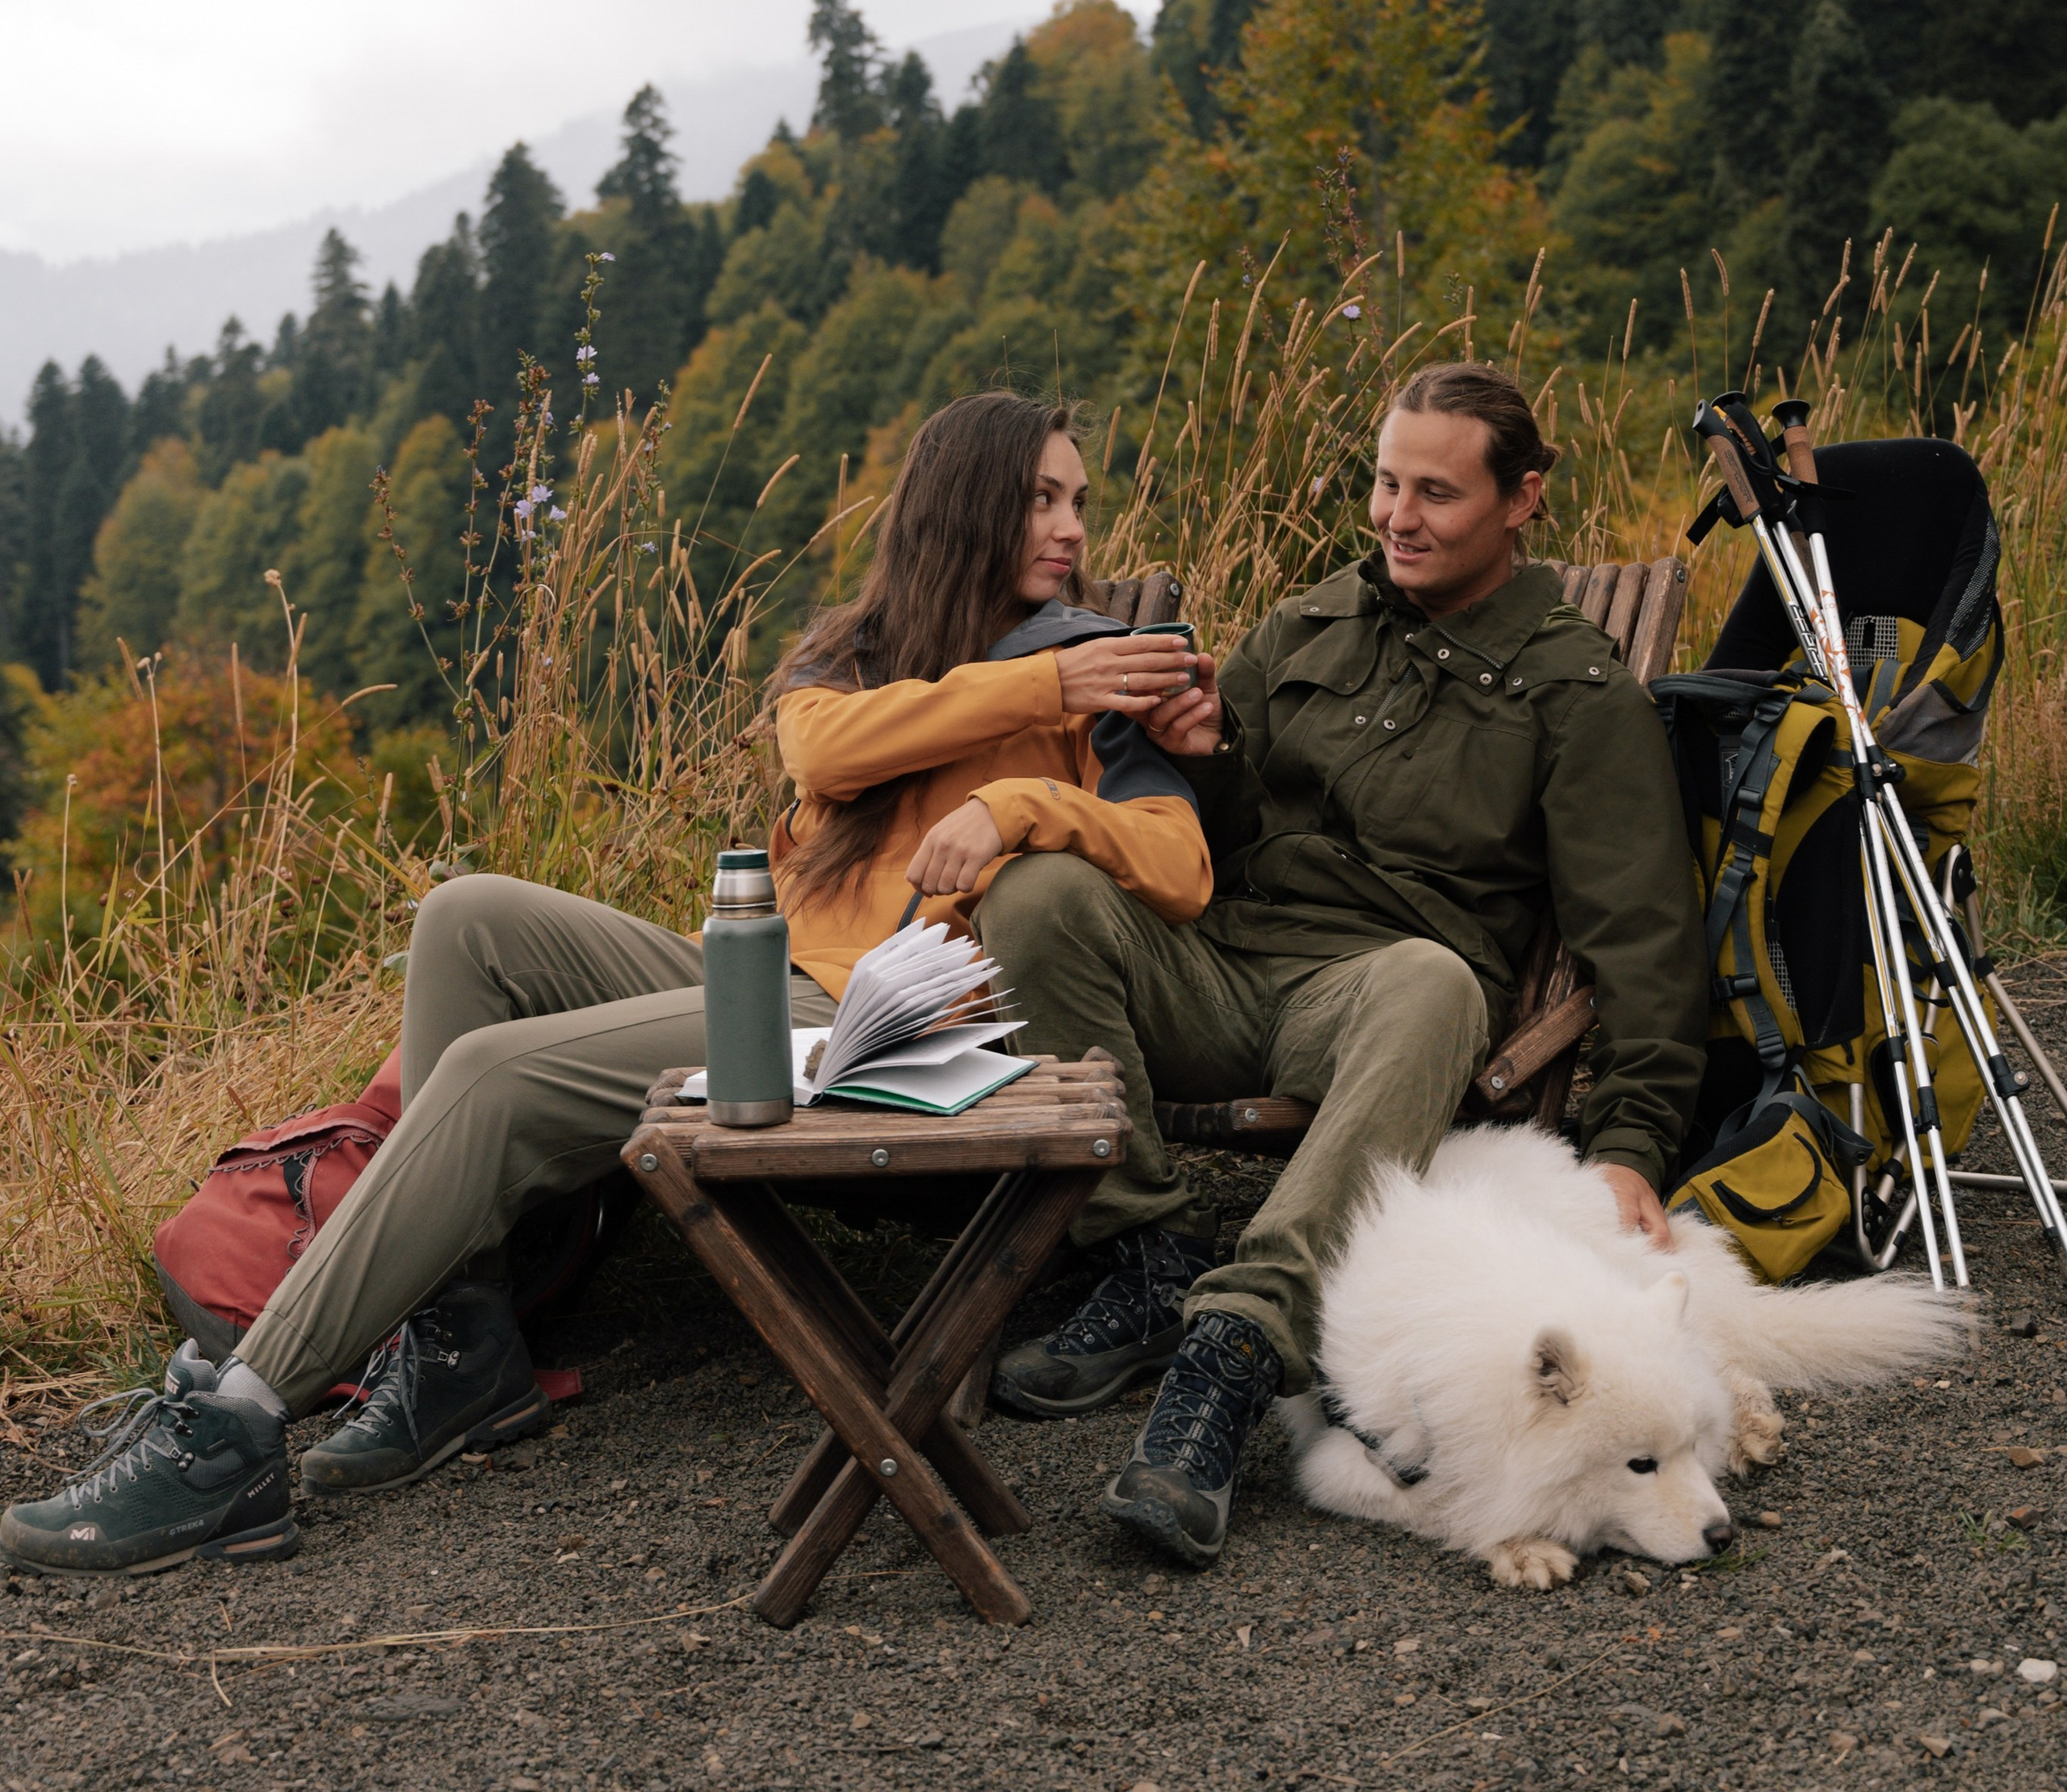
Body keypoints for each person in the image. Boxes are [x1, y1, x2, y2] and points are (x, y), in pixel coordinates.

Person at [2, 390, 1210, 1577]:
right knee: (466, 917)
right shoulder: (873, 655)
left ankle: (238, 1421)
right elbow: (820, 748)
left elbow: (1180, 863)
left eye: (1079, 502)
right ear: (965, 512)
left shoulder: (1107, 664)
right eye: (1041, 499)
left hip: (870, 1026)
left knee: (489, 1076)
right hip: (774, 974)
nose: (1071, 528)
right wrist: (1035, 692)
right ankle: (463, 1345)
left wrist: (1025, 798)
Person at [982, 362, 1709, 1571]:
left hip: (1386, 1002)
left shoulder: (1576, 695)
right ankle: (1147, 1251)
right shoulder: (1308, 625)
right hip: (1221, 964)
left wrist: (1632, 1140)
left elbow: (1642, 934)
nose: (1397, 516)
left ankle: (1236, 1345)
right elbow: (1207, 834)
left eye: (1438, 492)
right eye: (1384, 482)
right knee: (1041, 888)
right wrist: (1203, 759)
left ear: (1523, 499)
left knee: (1433, 981)